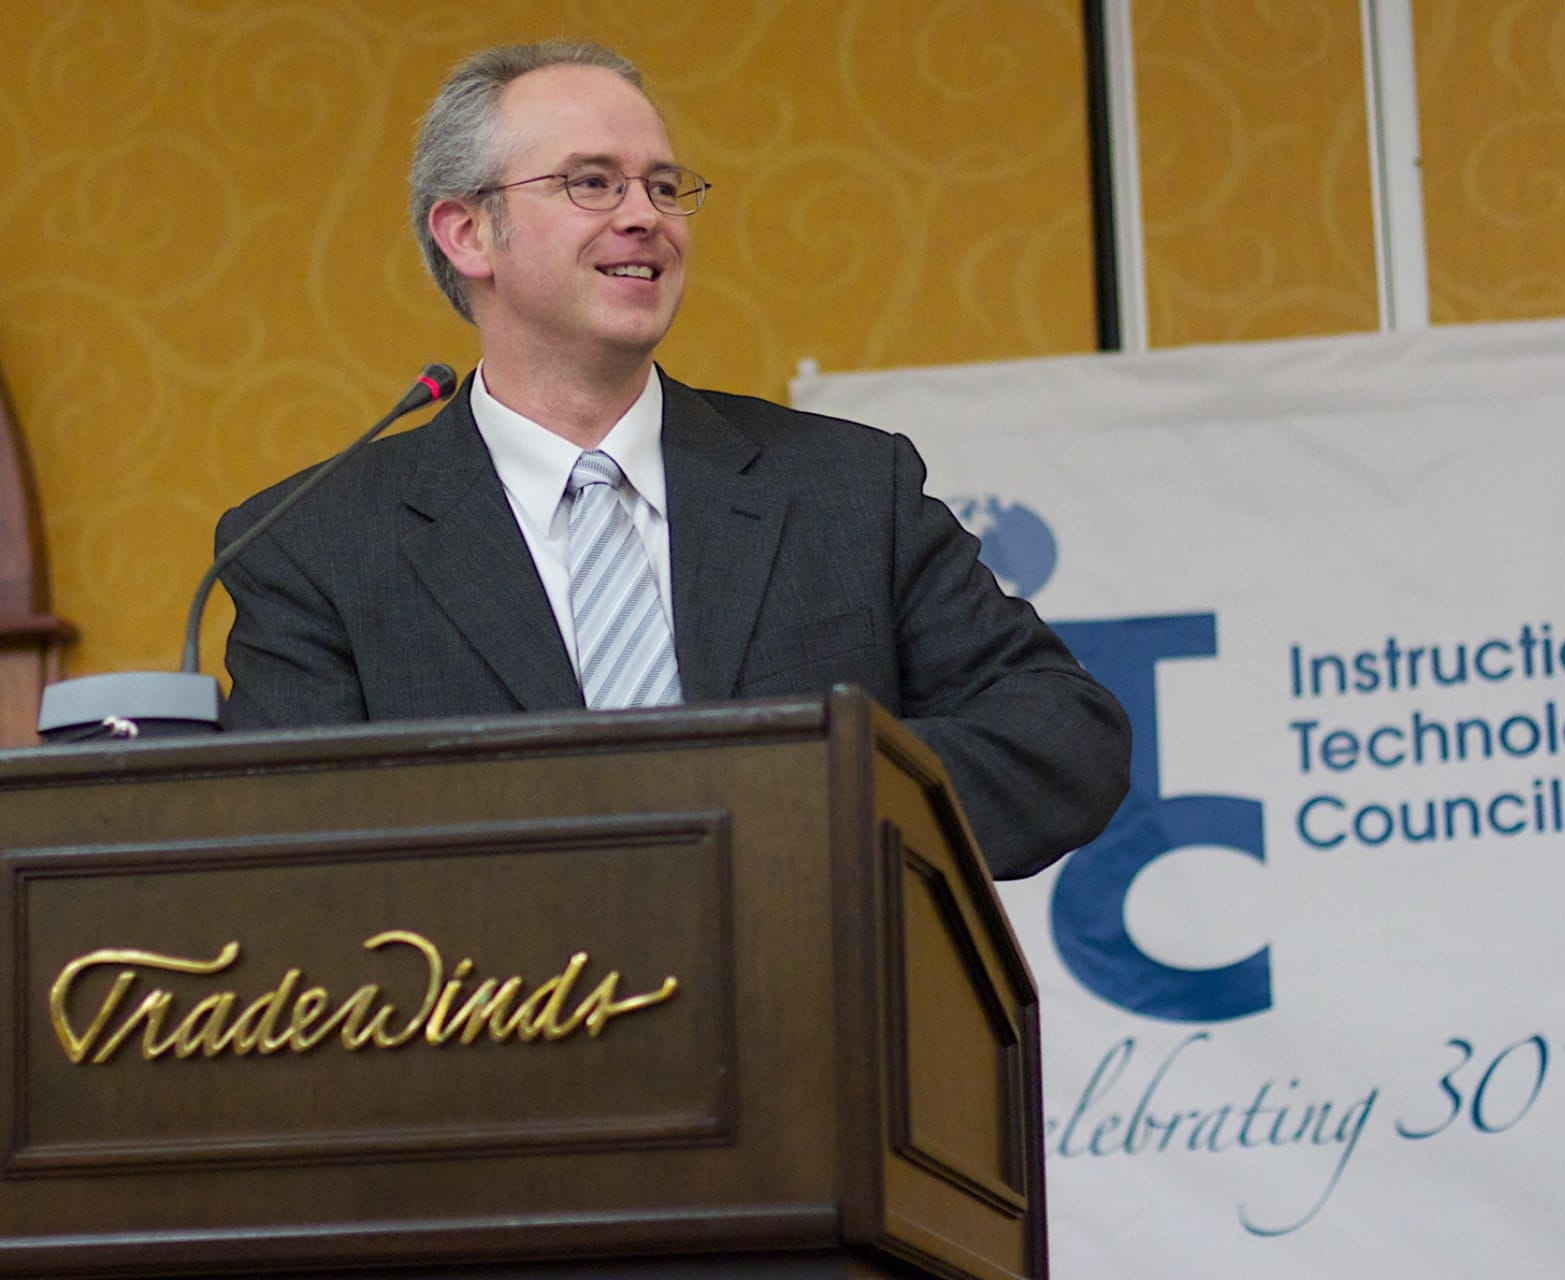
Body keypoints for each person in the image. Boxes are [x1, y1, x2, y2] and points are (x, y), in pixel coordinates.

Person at [216, 40, 1128, 880]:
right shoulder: (311, 546)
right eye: (592, 184)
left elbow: (1064, 738)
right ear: (468, 233)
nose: (645, 217)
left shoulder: (849, 489)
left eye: (662, 186)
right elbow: (289, 856)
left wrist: (804, 799)